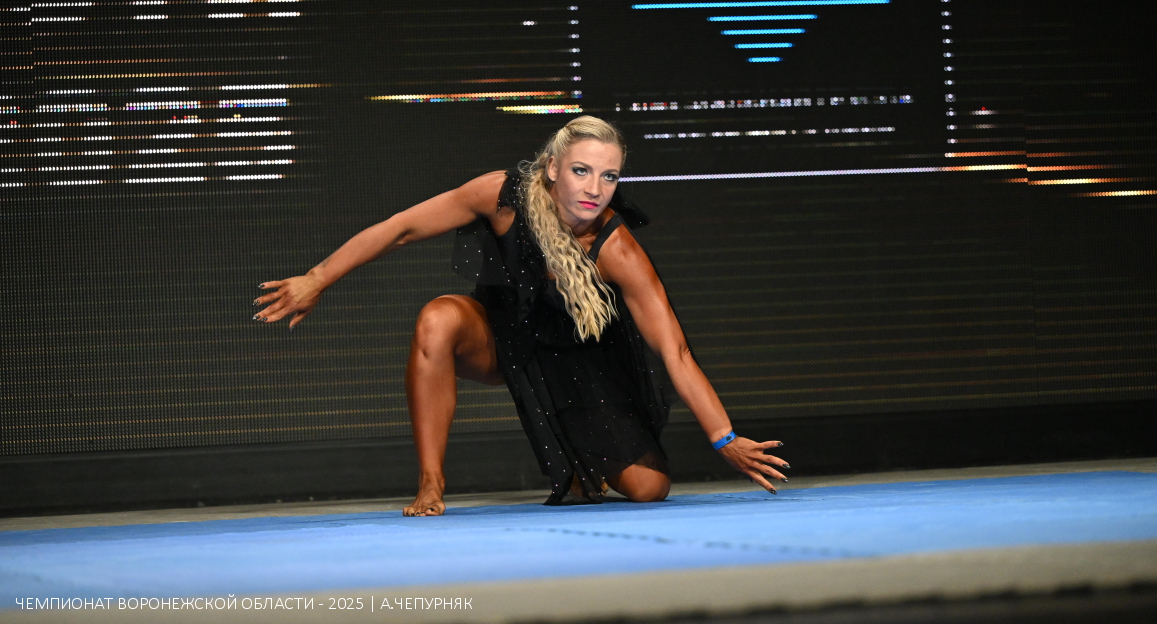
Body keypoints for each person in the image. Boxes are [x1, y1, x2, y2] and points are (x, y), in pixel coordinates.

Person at [254, 116, 788, 515]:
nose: (594, 189)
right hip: (502, 337)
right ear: (553, 168)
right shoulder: (502, 195)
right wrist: (317, 277)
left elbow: (675, 350)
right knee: (437, 318)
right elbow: (402, 228)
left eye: (608, 176)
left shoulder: (617, 249)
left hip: (579, 363)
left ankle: (584, 464)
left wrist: (724, 437)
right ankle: (431, 482)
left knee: (650, 489)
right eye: (581, 171)